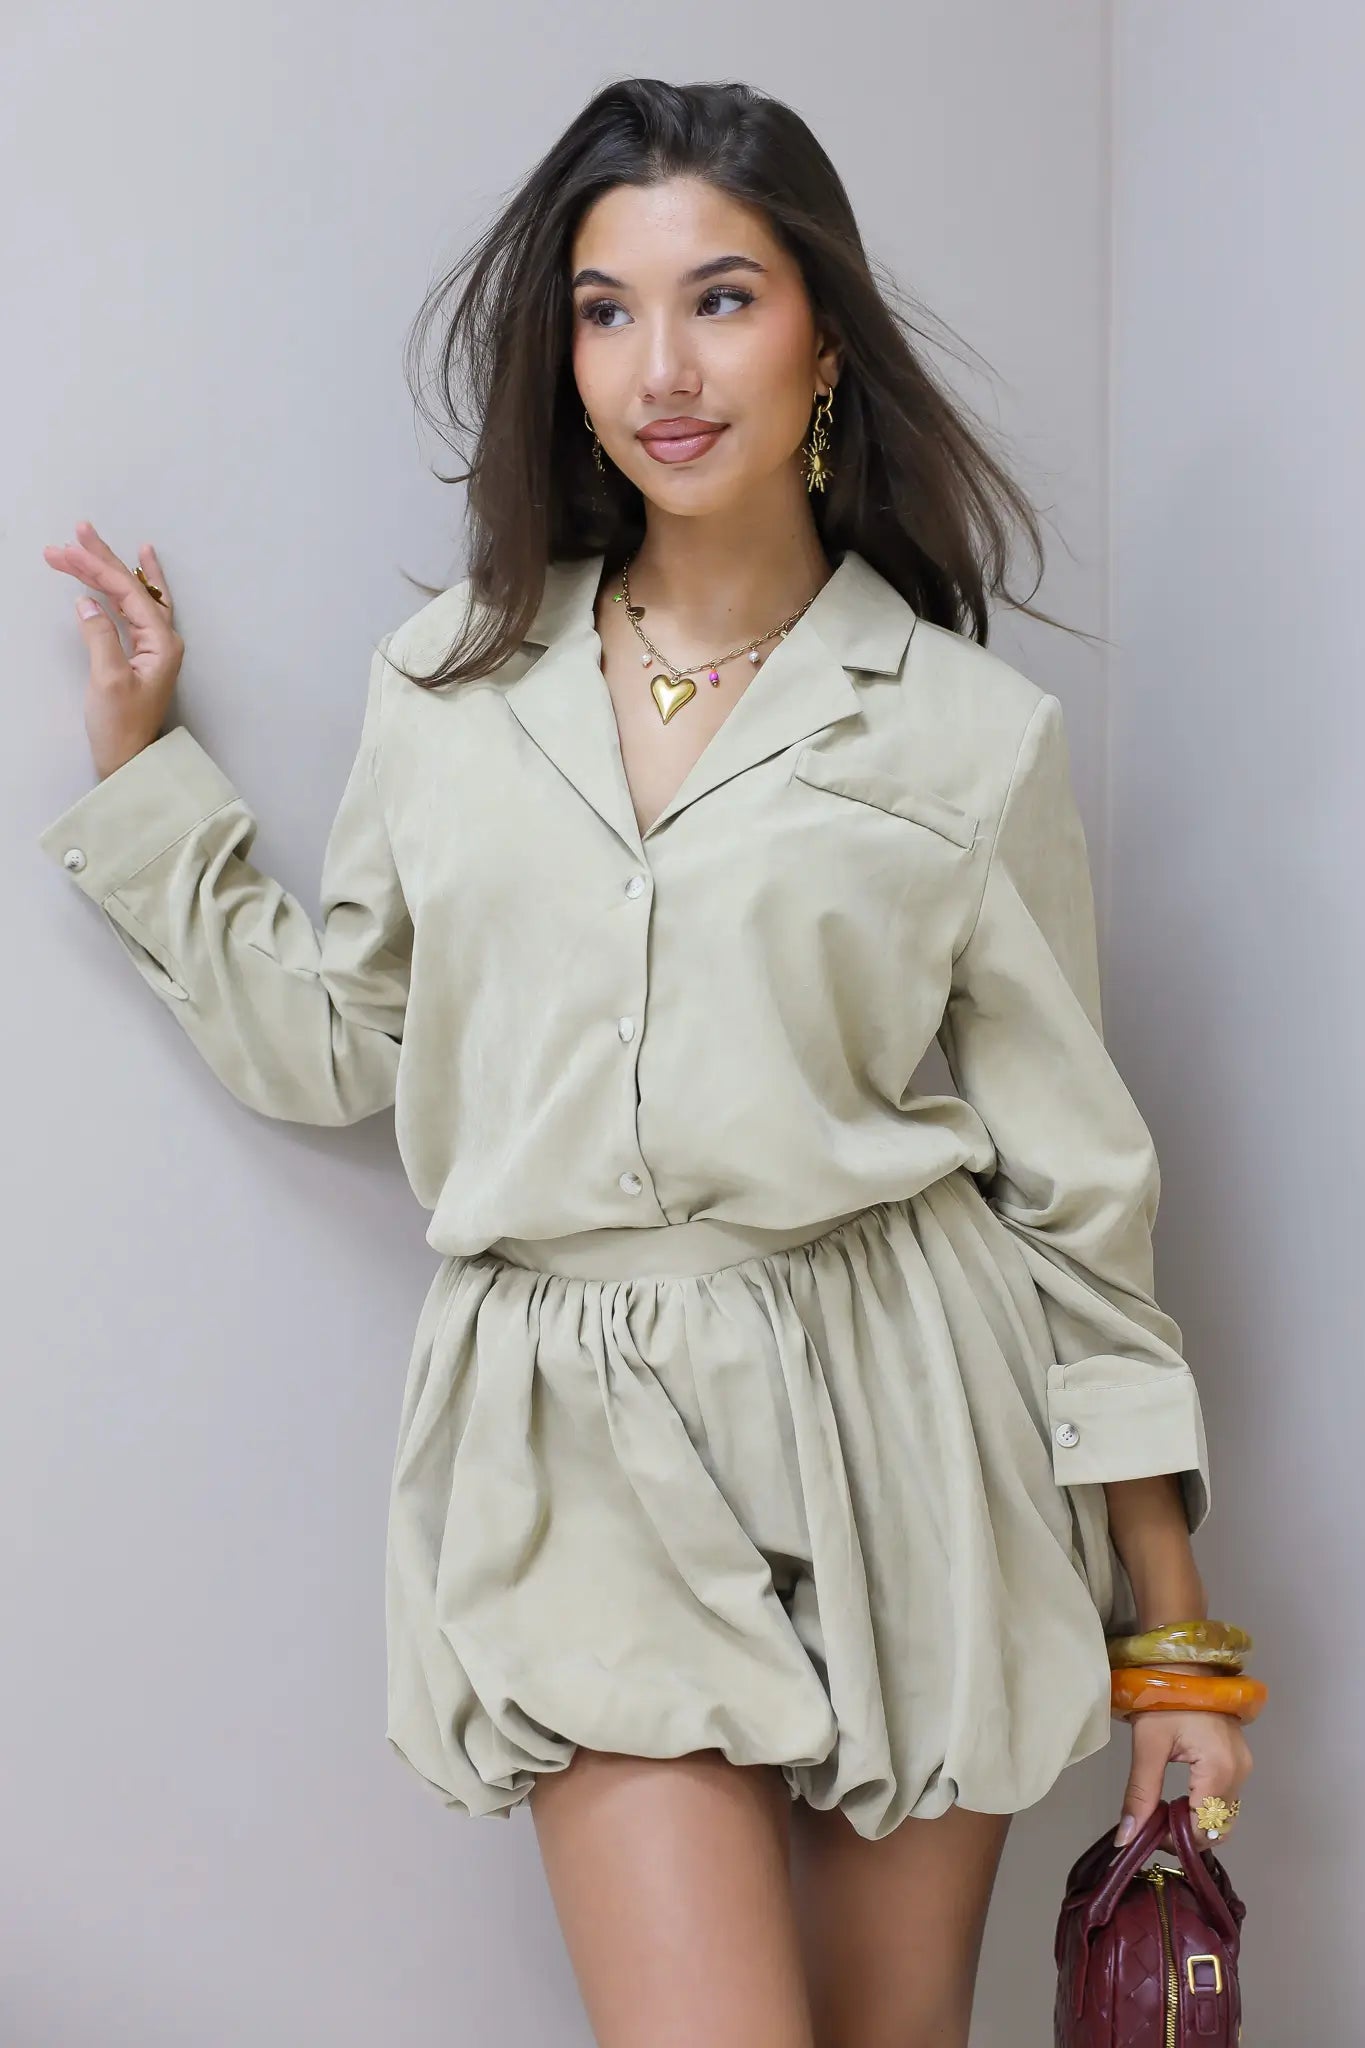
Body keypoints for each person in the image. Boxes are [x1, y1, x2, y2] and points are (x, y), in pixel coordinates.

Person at [39, 75, 1253, 2048]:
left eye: (720, 298)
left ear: (822, 338)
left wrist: (1175, 1646)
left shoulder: (962, 734)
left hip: (910, 1429)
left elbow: (1074, 1194)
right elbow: (346, 1038)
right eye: (604, 310)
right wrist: (148, 782)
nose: (659, 369)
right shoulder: (450, 686)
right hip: (580, 1439)